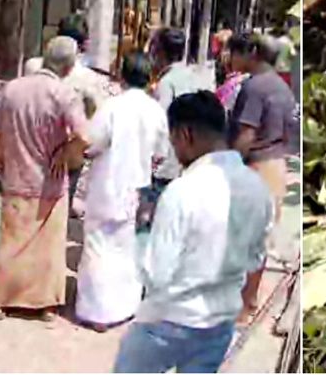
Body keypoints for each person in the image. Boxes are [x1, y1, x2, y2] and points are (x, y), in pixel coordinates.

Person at [113, 91, 272, 373]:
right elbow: (256, 259)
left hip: (168, 321)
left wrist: (141, 235)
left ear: (185, 134)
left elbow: (155, 273)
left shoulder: (182, 191)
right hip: (219, 322)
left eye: (173, 141)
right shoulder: (258, 189)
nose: (174, 150)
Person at [0, 36, 89, 321]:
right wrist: (67, 153)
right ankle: (46, 306)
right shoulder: (64, 94)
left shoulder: (11, 89)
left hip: (16, 177)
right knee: (49, 245)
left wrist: (1, 164)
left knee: (11, 242)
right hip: (50, 182)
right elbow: (85, 136)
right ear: (68, 67)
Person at [76, 52, 169, 332]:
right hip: (135, 189)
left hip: (106, 184)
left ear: (122, 75)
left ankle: (97, 312)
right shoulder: (155, 111)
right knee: (125, 248)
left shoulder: (111, 108)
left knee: (97, 247)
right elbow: (161, 154)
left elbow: (91, 144)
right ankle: (125, 308)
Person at [227, 32, 296, 324]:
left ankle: (244, 305)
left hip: (256, 167)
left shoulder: (255, 88)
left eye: (234, 52)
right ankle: (248, 300)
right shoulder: (282, 87)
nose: (231, 59)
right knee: (259, 238)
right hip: (276, 167)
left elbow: (246, 134)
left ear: (252, 52)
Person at [24, 13, 108, 218]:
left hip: (33, 146)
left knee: (30, 205)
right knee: (59, 209)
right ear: (84, 44)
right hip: (69, 150)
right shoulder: (89, 78)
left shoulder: (32, 66)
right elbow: (96, 115)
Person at [149, 29, 214, 193]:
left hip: (168, 168)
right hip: (193, 162)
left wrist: (155, 160)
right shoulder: (196, 77)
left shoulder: (166, 83)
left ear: (160, 52)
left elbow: (161, 126)